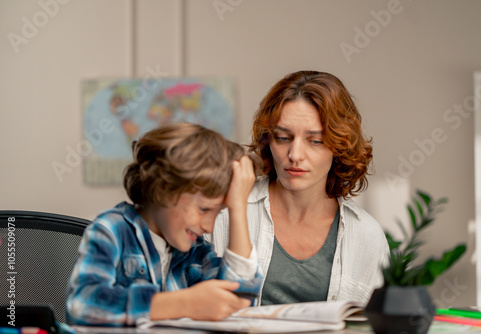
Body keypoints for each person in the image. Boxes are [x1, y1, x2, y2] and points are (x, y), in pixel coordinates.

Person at [208, 70, 389, 305]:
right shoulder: (224, 212)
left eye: (315, 141)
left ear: (339, 147)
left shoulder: (366, 235)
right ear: (268, 140)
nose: (294, 155)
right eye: (283, 137)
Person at [66, 123, 263, 326]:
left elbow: (239, 297)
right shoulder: (112, 230)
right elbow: (82, 305)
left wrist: (237, 210)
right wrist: (183, 303)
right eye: (204, 209)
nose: (209, 227)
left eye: (218, 212)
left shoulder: (195, 251)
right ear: (164, 189)